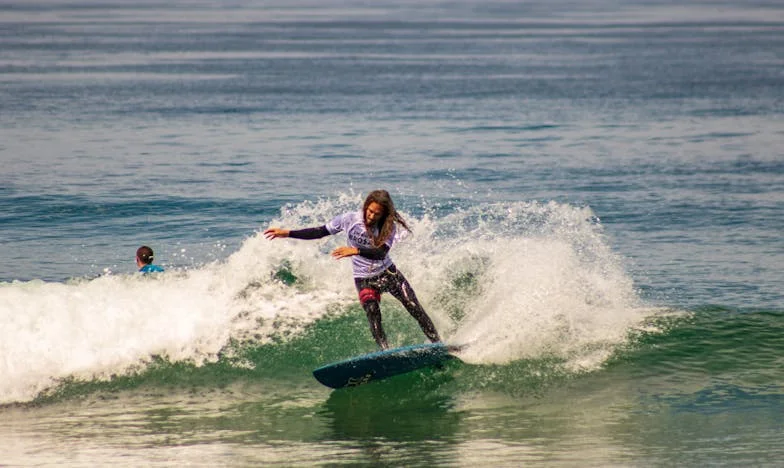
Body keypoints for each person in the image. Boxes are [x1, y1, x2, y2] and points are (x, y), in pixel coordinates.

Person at [264, 190, 441, 350]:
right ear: (365, 207)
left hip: (388, 273)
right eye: (369, 211)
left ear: (384, 214)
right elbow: (320, 231)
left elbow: (380, 253)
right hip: (364, 278)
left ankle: (438, 344)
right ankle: (385, 351)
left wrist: (355, 250)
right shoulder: (349, 219)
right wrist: (288, 233)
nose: (371, 216)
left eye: (376, 214)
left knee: (413, 306)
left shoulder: (388, 227)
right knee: (372, 312)